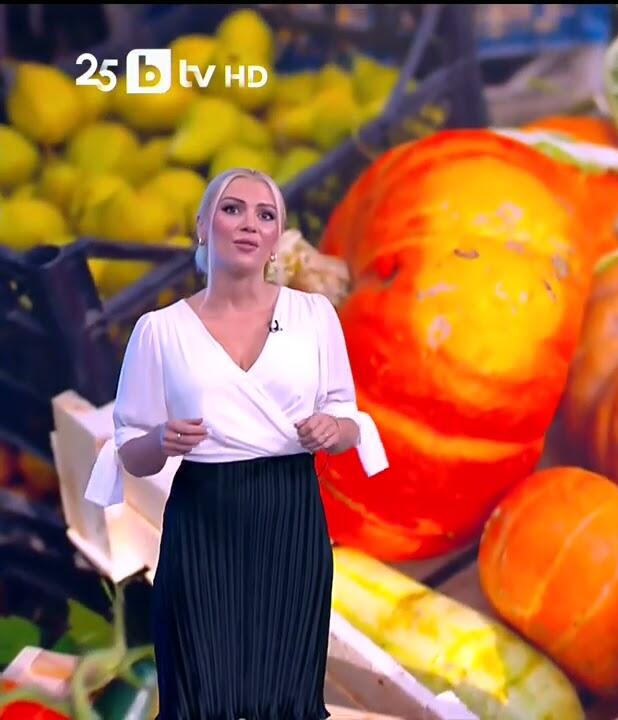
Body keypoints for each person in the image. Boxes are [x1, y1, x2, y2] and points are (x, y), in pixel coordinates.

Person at [83, 168, 389, 719]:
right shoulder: (159, 330)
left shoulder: (314, 316)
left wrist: (332, 428)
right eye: (233, 209)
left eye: (265, 215)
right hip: (204, 513)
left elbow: (348, 419)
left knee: (287, 687)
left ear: (276, 238)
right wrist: (161, 439)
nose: (249, 223)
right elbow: (129, 448)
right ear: (203, 226)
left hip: (290, 512)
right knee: (201, 684)